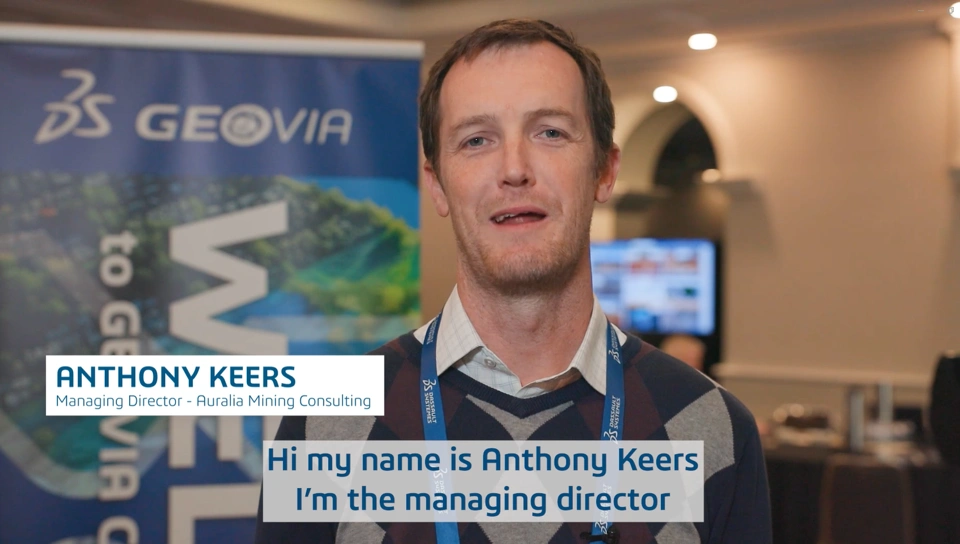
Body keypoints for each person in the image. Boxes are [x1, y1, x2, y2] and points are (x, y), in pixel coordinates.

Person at [255, 18, 771, 544]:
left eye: (550, 132)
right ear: (437, 185)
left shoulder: (709, 424)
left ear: (604, 171)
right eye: (476, 140)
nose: (515, 168)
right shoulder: (325, 425)